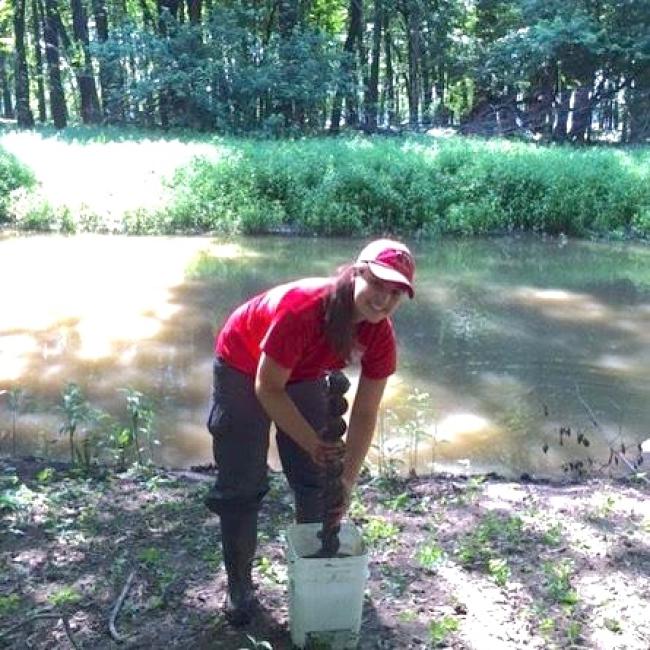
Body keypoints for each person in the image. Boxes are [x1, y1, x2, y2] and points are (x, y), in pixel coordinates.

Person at [204, 238, 415, 626]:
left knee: (321, 480)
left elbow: (366, 411)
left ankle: (318, 571)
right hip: (243, 362)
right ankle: (239, 586)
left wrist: (347, 479)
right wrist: (311, 441)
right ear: (357, 273)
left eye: (395, 294)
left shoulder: (380, 334)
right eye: (377, 285)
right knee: (242, 484)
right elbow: (267, 388)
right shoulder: (304, 310)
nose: (384, 300)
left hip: (301, 370)